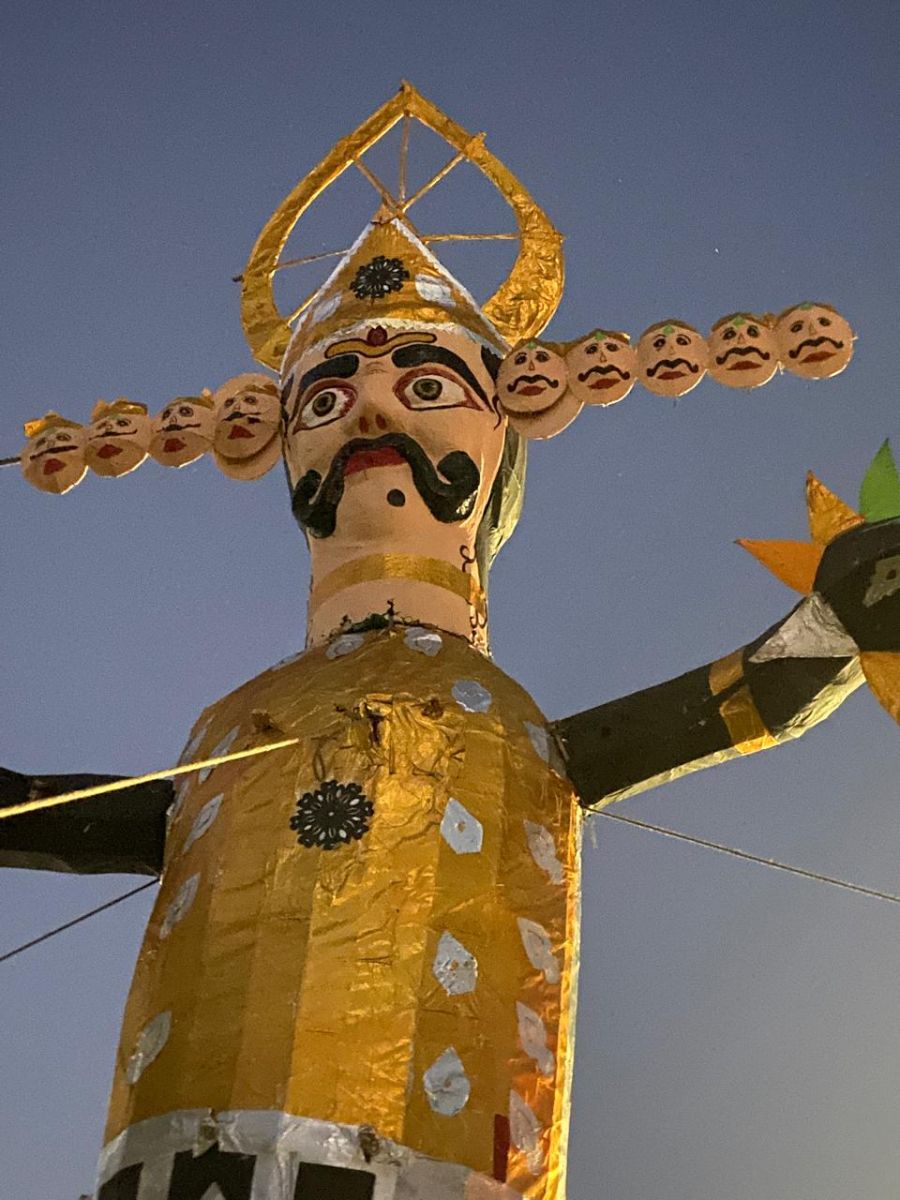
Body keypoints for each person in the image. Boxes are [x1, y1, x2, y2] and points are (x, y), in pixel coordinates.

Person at [3, 223, 898, 1200]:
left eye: (426, 388)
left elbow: (738, 701)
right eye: (329, 397)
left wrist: (838, 621)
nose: (370, 416)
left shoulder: (499, 719)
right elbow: (54, 813)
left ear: (508, 424)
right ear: (278, 437)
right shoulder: (234, 721)